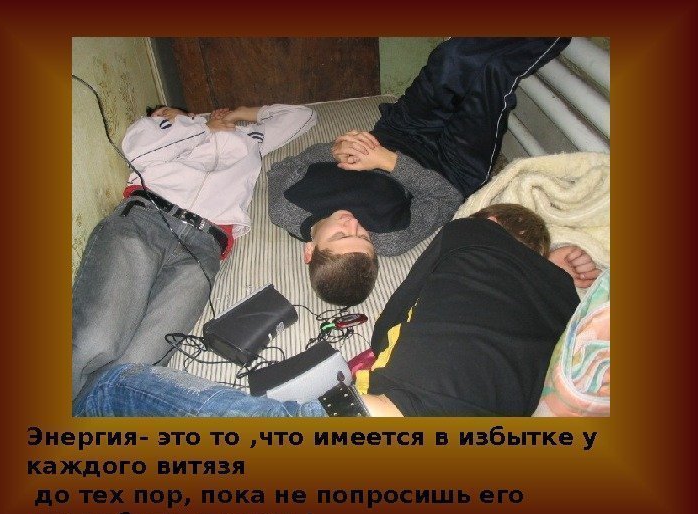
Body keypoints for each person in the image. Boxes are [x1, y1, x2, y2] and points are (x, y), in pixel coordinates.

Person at [73, 204, 581, 417]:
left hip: (376, 421)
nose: (355, 222)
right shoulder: (565, 303)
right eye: (347, 232)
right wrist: (555, 274)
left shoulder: (468, 233)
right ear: (308, 250)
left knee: (111, 385)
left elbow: (391, 321)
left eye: (359, 235)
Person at [268, 37, 575, 306]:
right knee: (494, 74)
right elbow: (445, 198)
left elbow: (287, 165)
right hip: (452, 165)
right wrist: (388, 162)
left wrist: (333, 150)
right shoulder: (391, 240)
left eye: (340, 234)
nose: (354, 223)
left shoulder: (285, 207)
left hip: (399, 131)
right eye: (363, 237)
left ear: (310, 250)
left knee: (451, 56)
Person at [72, 102, 317, 400]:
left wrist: (238, 114)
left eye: (167, 110)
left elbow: (304, 116)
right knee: (94, 340)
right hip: (145, 220)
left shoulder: (251, 138)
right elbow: (139, 155)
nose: (161, 115)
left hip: (202, 248)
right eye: (159, 113)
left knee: (137, 368)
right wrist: (199, 129)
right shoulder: (157, 128)